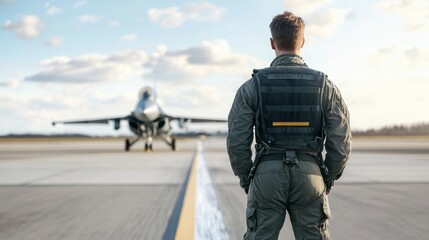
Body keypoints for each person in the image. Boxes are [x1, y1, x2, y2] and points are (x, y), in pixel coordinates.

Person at [226, 11, 351, 240]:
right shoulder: (326, 86)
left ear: (272, 43)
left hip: (266, 176)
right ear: (302, 41)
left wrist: (249, 179)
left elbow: (236, 141)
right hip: (310, 175)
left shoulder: (251, 87)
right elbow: (341, 143)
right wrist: (326, 177)